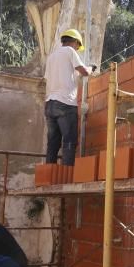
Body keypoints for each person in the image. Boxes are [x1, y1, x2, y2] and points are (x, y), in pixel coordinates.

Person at [44, 28, 95, 165]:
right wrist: (91, 68)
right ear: (75, 42)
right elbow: (84, 71)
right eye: (78, 46)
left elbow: (52, 78)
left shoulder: (52, 56)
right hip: (65, 104)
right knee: (69, 141)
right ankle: (67, 177)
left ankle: (49, 175)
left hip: (50, 104)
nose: (78, 49)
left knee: (53, 143)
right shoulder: (70, 51)